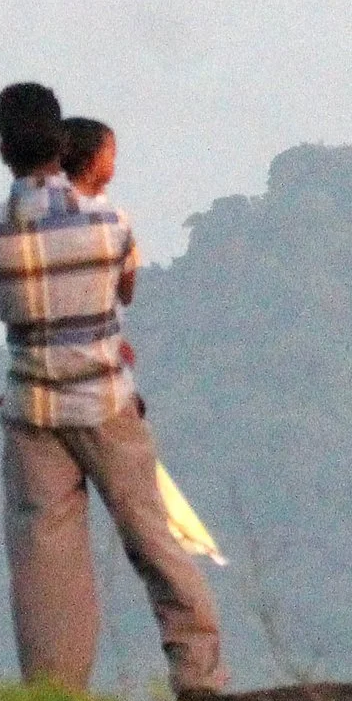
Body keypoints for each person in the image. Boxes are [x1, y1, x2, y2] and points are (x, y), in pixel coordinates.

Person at [0, 83, 226, 698]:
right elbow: (120, 292)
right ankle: (199, 674)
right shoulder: (109, 223)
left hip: (31, 408)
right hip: (107, 402)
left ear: (3, 148)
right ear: (62, 144)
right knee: (150, 536)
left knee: (45, 562)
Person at [58, 116, 229, 569]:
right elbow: (125, 290)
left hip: (52, 364)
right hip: (101, 366)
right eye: (110, 154)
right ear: (97, 163)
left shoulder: (39, 226)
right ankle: (177, 550)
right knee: (138, 481)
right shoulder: (113, 222)